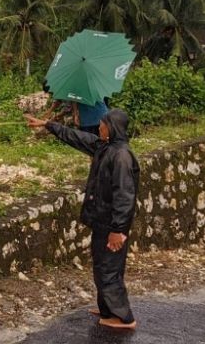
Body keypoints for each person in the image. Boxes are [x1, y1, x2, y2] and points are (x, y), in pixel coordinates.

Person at [25, 108, 140, 330]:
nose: (99, 127)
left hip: (111, 224)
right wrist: (48, 125)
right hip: (101, 220)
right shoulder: (105, 148)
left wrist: (119, 230)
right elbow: (79, 138)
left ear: (112, 127)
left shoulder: (122, 156)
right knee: (101, 264)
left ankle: (123, 317)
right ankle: (107, 306)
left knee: (109, 268)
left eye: (103, 124)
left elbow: (125, 197)